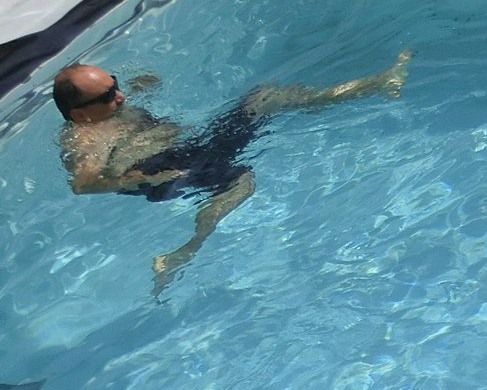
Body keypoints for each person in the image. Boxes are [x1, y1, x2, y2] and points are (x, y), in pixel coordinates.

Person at [54, 52, 411, 294]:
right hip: (164, 171)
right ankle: (184, 251)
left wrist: (147, 85)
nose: (120, 97)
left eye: (115, 85)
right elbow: (82, 185)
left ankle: (377, 84)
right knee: (241, 182)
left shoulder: (111, 109)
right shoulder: (84, 138)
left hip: (189, 151)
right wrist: (142, 180)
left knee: (265, 97)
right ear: (81, 114)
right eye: (108, 95)